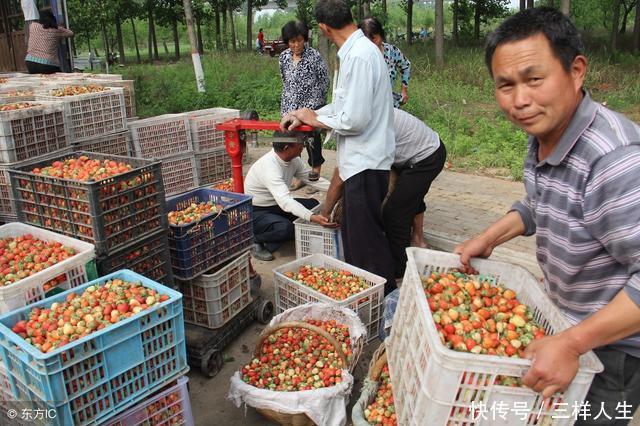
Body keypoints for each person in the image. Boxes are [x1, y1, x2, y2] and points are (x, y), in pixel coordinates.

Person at [455, 7, 640, 421]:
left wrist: (573, 343)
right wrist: (490, 237)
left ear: (576, 71)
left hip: (613, 348)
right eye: (505, 85)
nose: (520, 100)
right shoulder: (546, 134)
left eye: (534, 79)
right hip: (567, 322)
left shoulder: (615, 161)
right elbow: (542, 202)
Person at [281, 0, 397, 294]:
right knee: (362, 235)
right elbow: (345, 104)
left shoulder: (358, 56)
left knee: (363, 241)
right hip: (364, 160)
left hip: (366, 160)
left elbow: (354, 119)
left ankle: (380, 299)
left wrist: (316, 119)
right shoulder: (360, 51)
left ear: (322, 28)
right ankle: (380, 295)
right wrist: (307, 112)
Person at [321, 108, 446, 280]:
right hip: (413, 153)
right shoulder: (361, 112)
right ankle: (418, 241)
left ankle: (400, 268)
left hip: (427, 157)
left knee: (395, 213)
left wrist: (325, 212)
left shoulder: (359, 126)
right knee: (408, 197)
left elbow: (339, 179)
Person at [245, 132, 333, 261]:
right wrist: (312, 217)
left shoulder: (294, 160)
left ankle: (277, 234)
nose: (303, 146)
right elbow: (286, 201)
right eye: (300, 143)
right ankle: (255, 240)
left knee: (313, 204)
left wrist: (336, 188)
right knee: (287, 228)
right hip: (258, 210)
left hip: (276, 205)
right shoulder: (269, 167)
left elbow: (312, 179)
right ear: (287, 148)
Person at [279, 20, 329, 183]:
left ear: (304, 39)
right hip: (290, 106)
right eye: (292, 41)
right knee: (293, 140)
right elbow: (285, 80)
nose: (296, 45)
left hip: (310, 106)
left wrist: (316, 107)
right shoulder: (283, 57)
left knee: (311, 139)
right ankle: (299, 174)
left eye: (299, 40)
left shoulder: (313, 56)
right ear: (287, 42)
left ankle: (315, 169)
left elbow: (324, 81)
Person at [359, 17, 411, 108]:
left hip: (389, 106)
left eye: (374, 38)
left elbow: (406, 66)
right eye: (367, 41)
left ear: (381, 34)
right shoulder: (359, 57)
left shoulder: (392, 52)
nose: (371, 44)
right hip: (367, 108)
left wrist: (404, 89)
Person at [25, 10, 73, 74]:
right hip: (47, 64)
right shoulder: (57, 30)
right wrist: (60, 26)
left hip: (30, 62)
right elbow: (71, 33)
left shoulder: (33, 26)